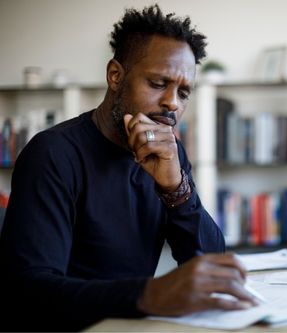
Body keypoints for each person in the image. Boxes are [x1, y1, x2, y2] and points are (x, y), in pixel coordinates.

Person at [0, 4, 257, 331]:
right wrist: (149, 293)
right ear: (116, 76)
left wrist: (175, 188)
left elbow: (209, 262)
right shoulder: (54, 153)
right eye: (158, 82)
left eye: (183, 92)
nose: (173, 103)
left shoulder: (169, 152)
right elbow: (28, 292)